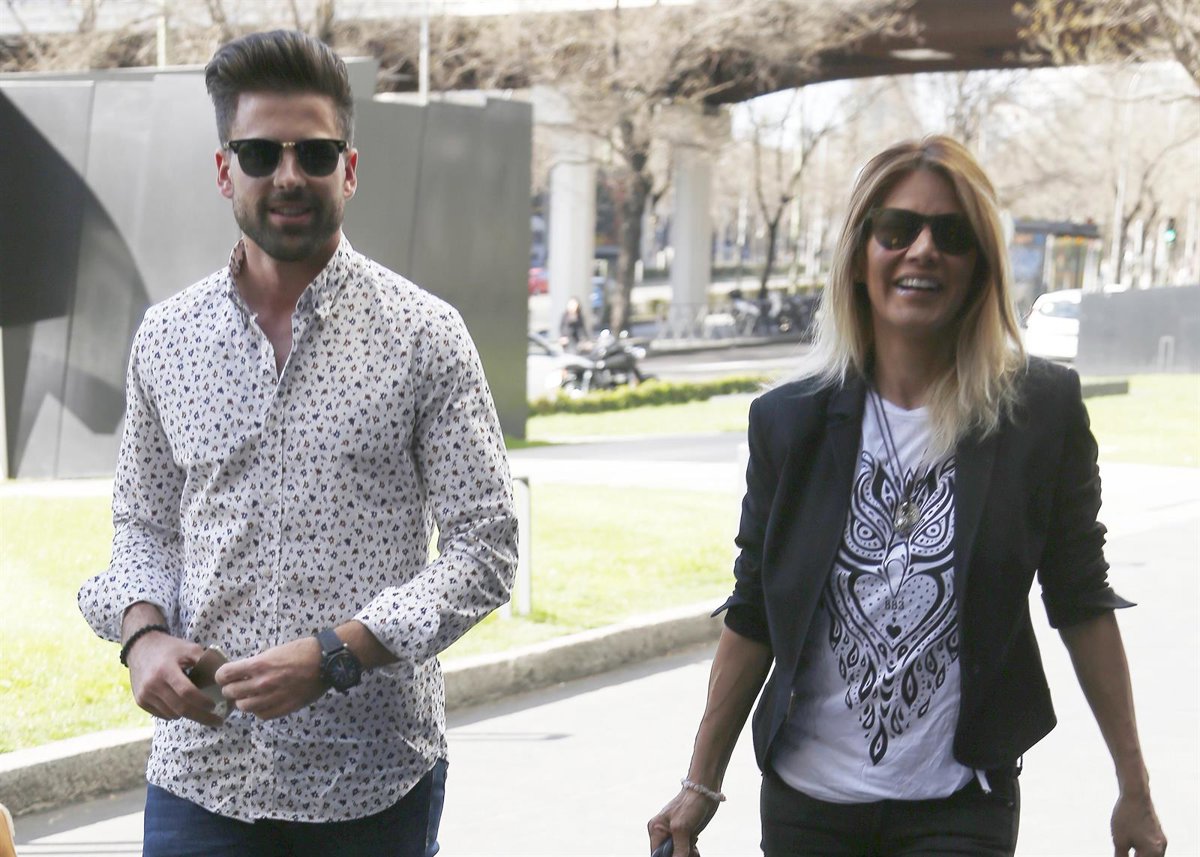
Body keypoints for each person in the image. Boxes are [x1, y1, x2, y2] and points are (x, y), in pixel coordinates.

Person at [648, 136, 1167, 857]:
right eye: (897, 230)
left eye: (952, 235)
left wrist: (1134, 786)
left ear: (980, 265)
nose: (923, 249)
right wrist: (700, 783)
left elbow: (1081, 600)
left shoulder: (1037, 412)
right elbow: (755, 607)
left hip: (959, 807)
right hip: (806, 811)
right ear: (860, 255)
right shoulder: (790, 422)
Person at [77, 30, 517, 857]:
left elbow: (485, 547)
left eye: (314, 153)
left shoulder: (425, 336)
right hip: (201, 776)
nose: (288, 175)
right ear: (225, 171)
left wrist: (335, 656)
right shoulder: (165, 339)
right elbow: (143, 525)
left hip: (372, 778)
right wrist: (142, 635)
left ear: (349, 169)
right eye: (260, 153)